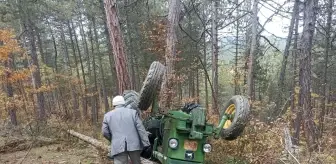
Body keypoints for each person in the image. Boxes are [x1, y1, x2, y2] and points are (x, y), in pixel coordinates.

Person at [102, 95, 150, 164]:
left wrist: (113, 139)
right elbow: (141, 129)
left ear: (114, 104)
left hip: (118, 146)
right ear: (123, 103)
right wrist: (146, 144)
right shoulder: (133, 113)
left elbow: (104, 132)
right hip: (134, 145)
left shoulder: (107, 116)